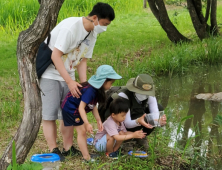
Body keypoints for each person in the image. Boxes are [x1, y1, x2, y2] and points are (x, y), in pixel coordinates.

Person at [38, 2, 115, 160]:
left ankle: (68, 148)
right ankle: (53, 149)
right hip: (50, 73)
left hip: (70, 73)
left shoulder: (93, 33)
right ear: (94, 18)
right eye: (105, 24)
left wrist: (86, 85)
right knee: (50, 114)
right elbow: (55, 56)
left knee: (68, 111)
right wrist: (70, 82)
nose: (105, 28)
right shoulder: (70, 28)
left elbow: (83, 59)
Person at [61, 65, 122, 162]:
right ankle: (86, 158)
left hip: (76, 108)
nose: (111, 86)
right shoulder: (90, 91)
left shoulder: (97, 90)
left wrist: (98, 120)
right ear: (104, 81)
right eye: (110, 83)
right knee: (82, 132)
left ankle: (86, 155)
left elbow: (92, 106)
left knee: (83, 132)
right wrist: (86, 123)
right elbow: (81, 108)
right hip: (71, 109)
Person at [101, 74, 167, 150]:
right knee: (147, 118)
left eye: (147, 93)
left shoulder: (150, 96)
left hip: (134, 116)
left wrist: (159, 121)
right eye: (141, 92)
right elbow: (127, 123)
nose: (145, 95)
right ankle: (125, 139)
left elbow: (155, 115)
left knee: (159, 109)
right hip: (118, 120)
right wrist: (139, 121)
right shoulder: (124, 96)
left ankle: (142, 136)